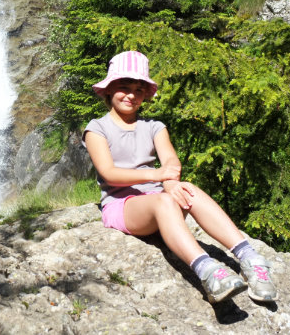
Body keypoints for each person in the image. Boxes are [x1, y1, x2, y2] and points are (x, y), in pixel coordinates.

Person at [83, 51, 278, 303]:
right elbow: (109, 174)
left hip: (157, 199)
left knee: (188, 189)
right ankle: (207, 271)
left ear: (145, 95)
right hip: (123, 206)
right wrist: (158, 175)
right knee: (164, 201)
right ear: (109, 89)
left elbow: (171, 163)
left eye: (138, 89)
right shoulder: (97, 128)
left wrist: (171, 181)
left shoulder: (154, 126)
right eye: (124, 87)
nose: (131, 95)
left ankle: (250, 257)